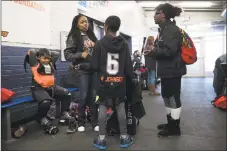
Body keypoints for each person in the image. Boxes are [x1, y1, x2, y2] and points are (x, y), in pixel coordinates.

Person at [90, 15, 134, 149]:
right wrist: (131, 79)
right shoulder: (125, 44)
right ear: (118, 28)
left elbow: (94, 66)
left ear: (106, 27)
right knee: (120, 107)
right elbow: (128, 66)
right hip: (120, 82)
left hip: (104, 83)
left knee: (102, 107)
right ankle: (124, 138)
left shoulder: (100, 43)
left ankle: (102, 139)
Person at [144, 3, 186, 137]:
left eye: (156, 13)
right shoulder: (164, 29)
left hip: (173, 70)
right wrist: (153, 51)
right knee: (167, 97)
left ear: (163, 15)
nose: (154, 16)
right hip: (167, 70)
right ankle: (171, 123)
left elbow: (170, 51)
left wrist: (153, 51)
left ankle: (175, 129)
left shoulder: (170, 29)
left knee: (173, 98)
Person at [25, 48, 76, 134]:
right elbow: (32, 52)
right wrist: (39, 53)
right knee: (46, 102)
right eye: (44, 58)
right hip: (38, 88)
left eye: (48, 58)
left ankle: (64, 113)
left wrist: (45, 53)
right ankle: (40, 117)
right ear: (38, 58)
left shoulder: (50, 63)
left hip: (51, 87)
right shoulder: (35, 64)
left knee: (67, 94)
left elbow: (56, 53)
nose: (46, 60)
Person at [64, 14, 99, 132]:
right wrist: (81, 54)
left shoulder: (92, 36)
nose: (86, 24)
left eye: (87, 22)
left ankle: (95, 122)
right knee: (83, 96)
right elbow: (67, 55)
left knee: (94, 97)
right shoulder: (73, 37)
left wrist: (96, 46)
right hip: (82, 70)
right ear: (76, 24)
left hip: (93, 70)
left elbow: (99, 52)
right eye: (82, 22)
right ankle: (81, 122)